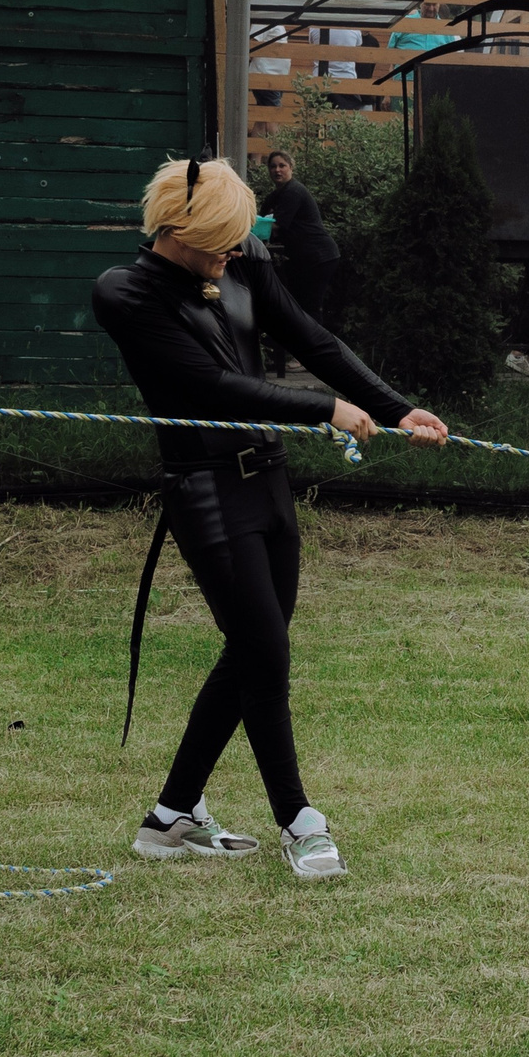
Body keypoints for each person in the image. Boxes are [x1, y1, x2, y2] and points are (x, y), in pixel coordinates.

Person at [92, 158, 450, 881]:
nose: (233, 256)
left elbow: (310, 339)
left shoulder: (244, 258)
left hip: (268, 483)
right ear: (176, 231)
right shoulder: (125, 295)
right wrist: (324, 408)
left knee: (256, 649)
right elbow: (213, 386)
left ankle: (170, 816)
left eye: (237, 243)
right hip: (206, 493)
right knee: (265, 656)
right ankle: (298, 819)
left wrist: (391, 405)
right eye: (220, 243)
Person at [261, 149, 340, 366]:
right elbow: (261, 214)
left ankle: (313, 358)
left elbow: (275, 227)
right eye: (273, 166)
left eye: (282, 165)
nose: (277, 170)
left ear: (291, 168)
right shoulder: (278, 194)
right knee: (295, 305)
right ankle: (291, 353)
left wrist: (254, 229)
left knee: (309, 307)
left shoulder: (293, 191)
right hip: (302, 259)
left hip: (319, 256)